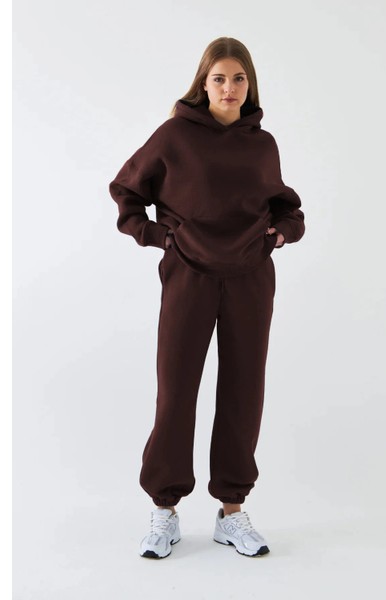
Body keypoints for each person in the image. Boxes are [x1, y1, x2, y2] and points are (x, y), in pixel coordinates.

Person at [109, 36, 305, 559]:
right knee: (176, 390)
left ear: (250, 85)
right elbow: (127, 191)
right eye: (219, 78)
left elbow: (287, 208)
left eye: (239, 78)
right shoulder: (174, 135)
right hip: (188, 276)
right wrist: (159, 237)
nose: (229, 88)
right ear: (203, 83)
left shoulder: (262, 144)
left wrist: (281, 234)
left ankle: (232, 512)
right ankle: (164, 509)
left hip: (250, 278)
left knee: (244, 391)